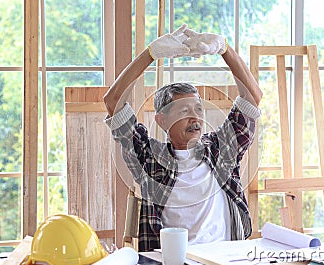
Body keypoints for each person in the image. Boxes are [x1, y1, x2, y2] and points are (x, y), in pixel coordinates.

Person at [103, 24, 263, 252]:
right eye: (184, 111)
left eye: (198, 109)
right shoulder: (149, 158)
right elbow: (113, 102)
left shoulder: (220, 149)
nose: (195, 118)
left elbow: (253, 97)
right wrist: (150, 54)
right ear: (162, 120)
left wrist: (225, 50)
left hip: (227, 258)